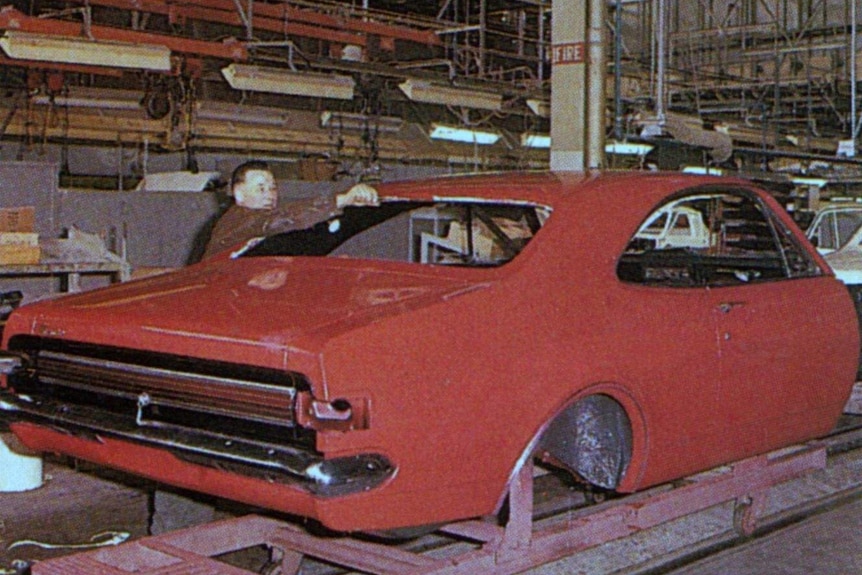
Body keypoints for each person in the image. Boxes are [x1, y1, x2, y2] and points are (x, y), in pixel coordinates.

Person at [201, 160, 379, 259]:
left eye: (272, 188)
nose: (270, 194)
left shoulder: (263, 231)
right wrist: (342, 199)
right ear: (239, 194)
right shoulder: (239, 219)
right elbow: (284, 219)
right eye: (261, 188)